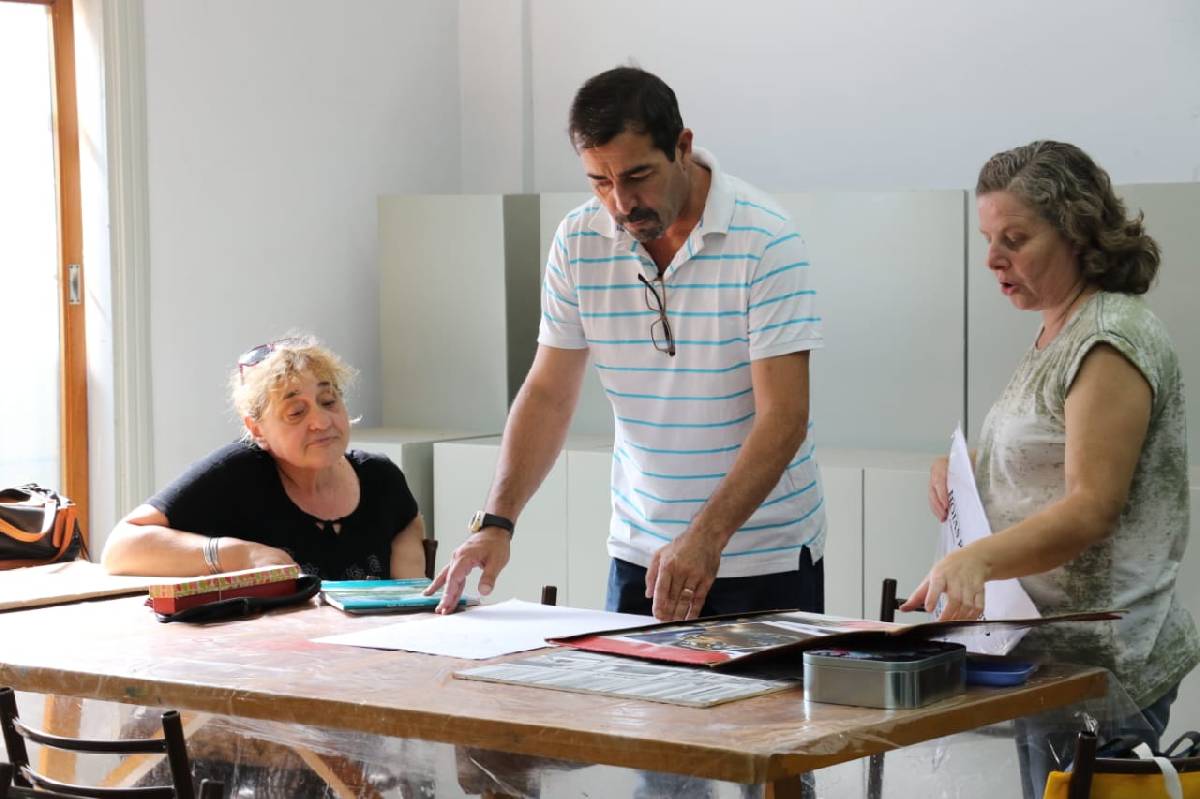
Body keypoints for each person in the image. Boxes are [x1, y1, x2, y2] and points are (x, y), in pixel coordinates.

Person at [429, 66, 826, 624]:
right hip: (640, 555)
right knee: (633, 708)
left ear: (682, 148)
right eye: (599, 180)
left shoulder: (766, 239)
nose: (621, 202)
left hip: (763, 557)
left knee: (766, 713)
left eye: (638, 175)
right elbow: (547, 394)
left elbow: (784, 417)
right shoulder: (578, 240)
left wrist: (706, 536)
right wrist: (497, 521)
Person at [901, 140, 1200, 798]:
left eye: (1015, 237)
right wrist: (967, 471)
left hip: (1108, 665)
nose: (992, 259)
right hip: (1052, 653)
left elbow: (1093, 503)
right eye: (987, 238)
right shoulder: (1058, 326)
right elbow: (1049, 450)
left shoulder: (1108, 337)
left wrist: (980, 559)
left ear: (1075, 231)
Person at [102, 336, 427, 581]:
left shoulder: (380, 477)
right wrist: (241, 555)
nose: (321, 421)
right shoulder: (237, 474)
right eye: (296, 412)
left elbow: (407, 528)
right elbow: (120, 548)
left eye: (329, 401)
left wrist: (409, 578)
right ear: (256, 429)